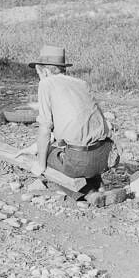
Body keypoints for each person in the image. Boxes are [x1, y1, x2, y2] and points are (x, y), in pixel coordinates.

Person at [16, 45, 115, 191]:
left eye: (38, 73)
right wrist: (34, 147)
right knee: (76, 147)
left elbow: (45, 130)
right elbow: (75, 124)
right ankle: (97, 184)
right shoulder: (81, 84)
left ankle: (85, 192)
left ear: (44, 71)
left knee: (48, 155)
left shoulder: (46, 83)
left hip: (81, 161)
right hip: (105, 157)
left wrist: (40, 163)